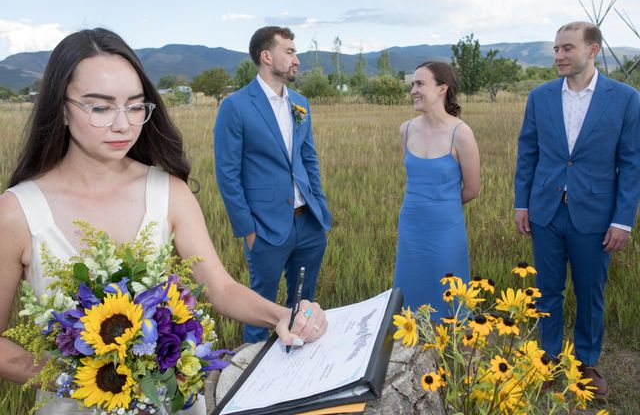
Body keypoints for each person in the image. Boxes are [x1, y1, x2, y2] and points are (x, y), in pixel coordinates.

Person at [0, 28, 327, 415]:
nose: (123, 125)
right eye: (100, 107)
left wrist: (284, 316)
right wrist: (82, 381)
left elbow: (220, 289)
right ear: (61, 108)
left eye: (135, 106)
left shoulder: (169, 191)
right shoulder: (17, 211)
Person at [514, 21, 640, 398]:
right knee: (547, 290)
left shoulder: (625, 98)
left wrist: (622, 219)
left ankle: (586, 363)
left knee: (590, 292)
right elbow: (528, 153)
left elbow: (632, 162)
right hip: (546, 210)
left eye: (567, 48)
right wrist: (522, 203)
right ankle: (548, 360)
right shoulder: (540, 96)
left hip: (596, 213)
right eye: (555, 49)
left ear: (592, 50)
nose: (558, 56)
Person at [214, 26, 331, 343]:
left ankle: (298, 366)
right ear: (267, 56)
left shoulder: (301, 103)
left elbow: (309, 160)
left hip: (308, 223)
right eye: (290, 51)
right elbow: (227, 173)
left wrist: (319, 210)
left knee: (303, 305)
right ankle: (253, 372)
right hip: (265, 230)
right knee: (259, 310)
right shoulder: (235, 106)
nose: (297, 59)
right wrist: (248, 231)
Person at [393, 61, 480, 317]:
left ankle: (450, 351)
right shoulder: (406, 130)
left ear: (442, 88)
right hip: (411, 227)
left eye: (420, 84)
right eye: (413, 85)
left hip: (445, 231)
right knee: (410, 295)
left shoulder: (461, 133)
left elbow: (472, 189)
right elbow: (413, 180)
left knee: (448, 298)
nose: (413, 91)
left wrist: (442, 206)